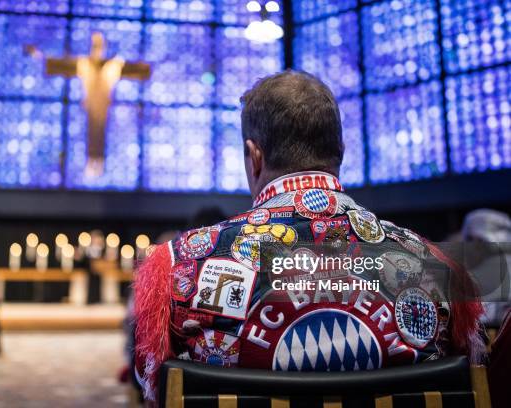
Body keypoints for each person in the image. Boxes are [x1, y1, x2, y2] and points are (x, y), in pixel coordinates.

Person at [133, 71, 485, 402]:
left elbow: (155, 394)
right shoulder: (436, 268)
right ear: (341, 153)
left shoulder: (180, 268)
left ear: (254, 157)